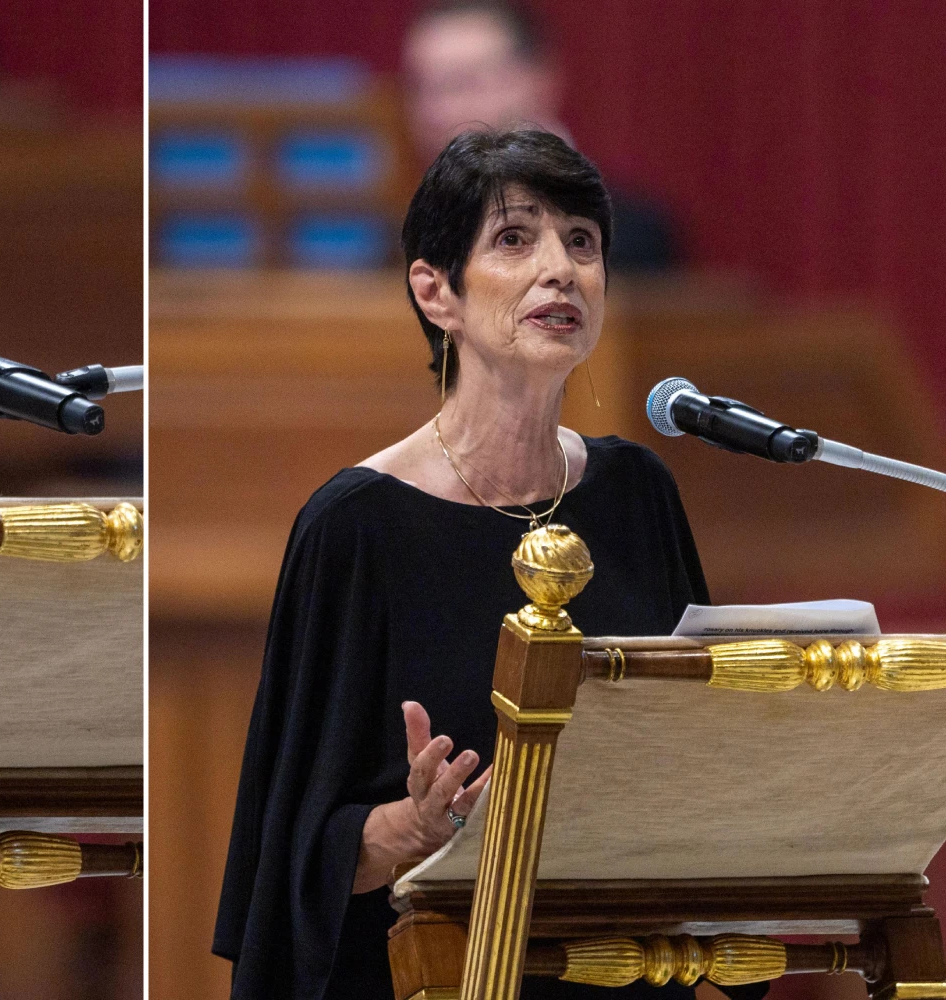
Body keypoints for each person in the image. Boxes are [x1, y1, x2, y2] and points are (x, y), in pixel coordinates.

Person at [212, 129, 769, 1000]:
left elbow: (701, 756)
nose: (561, 270)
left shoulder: (637, 492)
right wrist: (416, 825)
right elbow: (291, 867)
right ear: (436, 291)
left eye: (582, 242)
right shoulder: (355, 528)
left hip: (617, 967)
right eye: (515, 239)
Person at [402, 0, 679, 272]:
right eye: (421, 88)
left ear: (540, 80)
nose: (434, 112)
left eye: (462, 84)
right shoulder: (402, 236)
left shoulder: (630, 236)